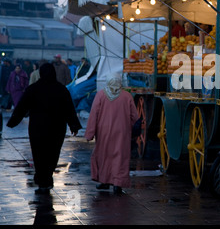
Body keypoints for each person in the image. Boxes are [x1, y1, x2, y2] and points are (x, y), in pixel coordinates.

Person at [6, 63, 82, 194]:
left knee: (39, 154)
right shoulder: (61, 89)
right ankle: (47, 178)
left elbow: (22, 107)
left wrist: (13, 122)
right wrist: (74, 125)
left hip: (37, 128)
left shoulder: (33, 89)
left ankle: (43, 181)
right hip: (57, 128)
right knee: (53, 154)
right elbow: (69, 109)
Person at [84, 73, 139, 194]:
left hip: (104, 132)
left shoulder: (101, 95)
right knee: (120, 156)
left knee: (104, 155)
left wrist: (90, 134)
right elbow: (135, 116)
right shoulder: (127, 96)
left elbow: (94, 115)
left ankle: (104, 181)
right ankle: (118, 183)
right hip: (122, 132)